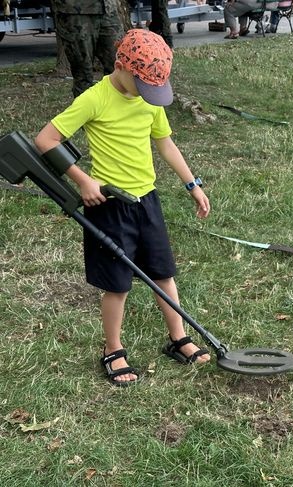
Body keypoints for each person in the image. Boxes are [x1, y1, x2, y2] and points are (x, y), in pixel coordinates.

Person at [34, 29, 212, 387]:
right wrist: (83, 180)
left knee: (163, 273)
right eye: (143, 85)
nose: (147, 95)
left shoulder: (148, 99)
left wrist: (191, 183)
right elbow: (45, 139)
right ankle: (112, 349)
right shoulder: (94, 98)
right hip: (111, 204)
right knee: (117, 285)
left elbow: (165, 143)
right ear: (120, 66)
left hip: (147, 201)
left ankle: (178, 339)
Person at [51, 0, 123, 98]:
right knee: (83, 73)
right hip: (75, 11)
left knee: (119, 66)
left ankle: (115, 110)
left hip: (108, 9)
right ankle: (86, 111)